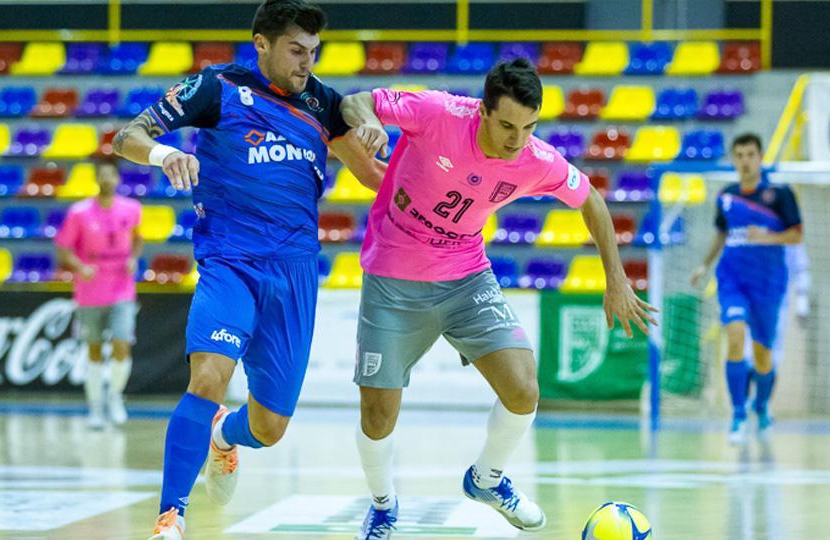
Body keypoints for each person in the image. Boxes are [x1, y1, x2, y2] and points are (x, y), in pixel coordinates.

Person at [340, 58, 658, 538]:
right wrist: (367, 125)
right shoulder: (438, 113)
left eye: (528, 127)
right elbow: (355, 101)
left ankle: (486, 479)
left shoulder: (535, 157)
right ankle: (383, 505)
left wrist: (616, 280)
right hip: (394, 277)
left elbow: (590, 198)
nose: (516, 140)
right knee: (377, 414)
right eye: (507, 125)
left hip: (466, 274)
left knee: (523, 388)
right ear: (483, 111)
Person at [112, 1, 383, 538]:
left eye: (313, 52)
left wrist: (419, 159)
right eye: (296, 50)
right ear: (261, 43)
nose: (307, 62)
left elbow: (374, 176)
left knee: (271, 426)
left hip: (296, 273)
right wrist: (165, 154)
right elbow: (127, 137)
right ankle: (171, 517)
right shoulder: (215, 88)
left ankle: (225, 437)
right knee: (209, 376)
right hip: (229, 262)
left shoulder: (323, 104)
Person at [690, 133, 803, 445]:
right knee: (735, 336)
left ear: (760, 156)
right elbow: (721, 235)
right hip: (732, 280)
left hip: (768, 284)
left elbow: (796, 236)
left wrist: (766, 237)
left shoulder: (779, 194)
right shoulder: (726, 196)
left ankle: (762, 407)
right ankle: (738, 414)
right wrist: (704, 264)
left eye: (750, 154)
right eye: (739, 155)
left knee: (763, 355)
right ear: (733, 158)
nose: (745, 160)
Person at [55, 159, 143, 429]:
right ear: (97, 179)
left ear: (117, 179)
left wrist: (134, 258)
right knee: (93, 350)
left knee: (121, 344)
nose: (107, 180)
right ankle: (95, 407)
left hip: (122, 289)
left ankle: (115, 396)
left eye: (111, 175)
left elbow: (138, 239)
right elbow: (62, 249)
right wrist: (80, 266)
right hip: (90, 292)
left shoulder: (132, 209)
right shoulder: (79, 213)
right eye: (102, 176)